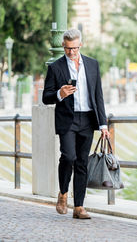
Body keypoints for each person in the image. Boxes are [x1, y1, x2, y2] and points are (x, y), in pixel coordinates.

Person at [42, 28, 109, 219]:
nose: (71, 52)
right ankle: (63, 194)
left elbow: (98, 96)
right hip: (68, 120)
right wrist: (59, 94)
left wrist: (103, 124)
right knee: (69, 157)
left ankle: (79, 207)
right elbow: (46, 97)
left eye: (74, 48)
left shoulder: (92, 65)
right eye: (67, 48)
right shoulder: (55, 68)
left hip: (87, 119)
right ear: (63, 46)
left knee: (82, 163)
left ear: (81, 45)